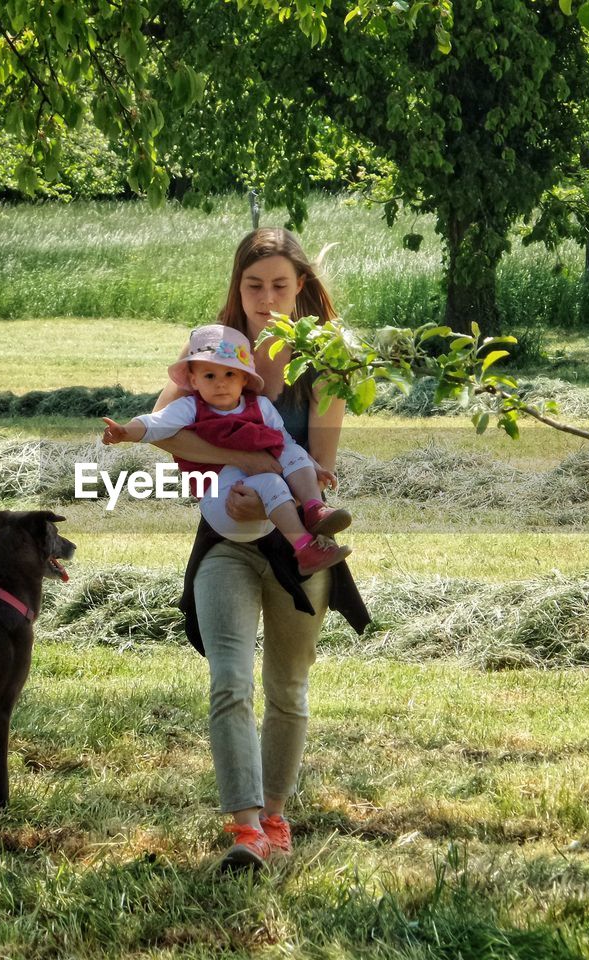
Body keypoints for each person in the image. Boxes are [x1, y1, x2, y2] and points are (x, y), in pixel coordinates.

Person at [147, 228, 370, 872]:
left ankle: (275, 816)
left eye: (279, 284)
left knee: (288, 688)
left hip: (302, 541)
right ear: (237, 288)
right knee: (228, 680)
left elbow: (321, 466)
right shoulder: (213, 351)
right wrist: (242, 465)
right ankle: (244, 829)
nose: (266, 297)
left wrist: (261, 481)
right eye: (253, 285)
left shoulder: (324, 362)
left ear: (301, 288)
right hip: (225, 538)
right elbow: (163, 434)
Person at [100, 323, 353, 576]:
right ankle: (303, 548)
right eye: (210, 376)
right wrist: (125, 432)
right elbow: (153, 424)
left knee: (291, 452)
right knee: (270, 482)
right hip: (224, 500)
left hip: (265, 507)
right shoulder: (191, 408)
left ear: (244, 378)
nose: (220, 383)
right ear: (193, 380)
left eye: (229, 375)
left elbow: (286, 442)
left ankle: (313, 509)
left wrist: (314, 467)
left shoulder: (261, 407)